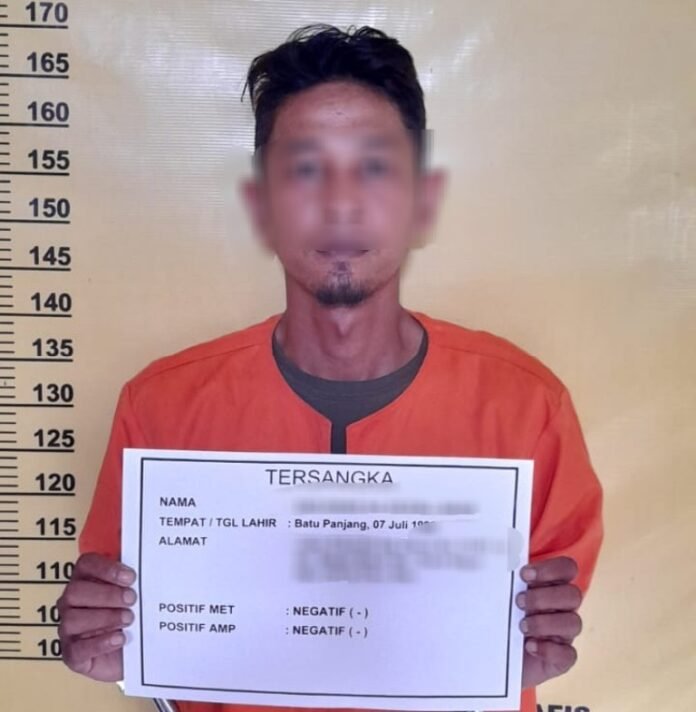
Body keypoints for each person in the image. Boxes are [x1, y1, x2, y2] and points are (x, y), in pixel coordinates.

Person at [56, 24, 603, 712]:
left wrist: (529, 650)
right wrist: (104, 640)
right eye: (305, 169)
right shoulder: (160, 408)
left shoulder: (527, 408)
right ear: (261, 204)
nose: (340, 204)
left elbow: (536, 625)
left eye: (374, 167)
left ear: (421, 200)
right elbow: (130, 621)